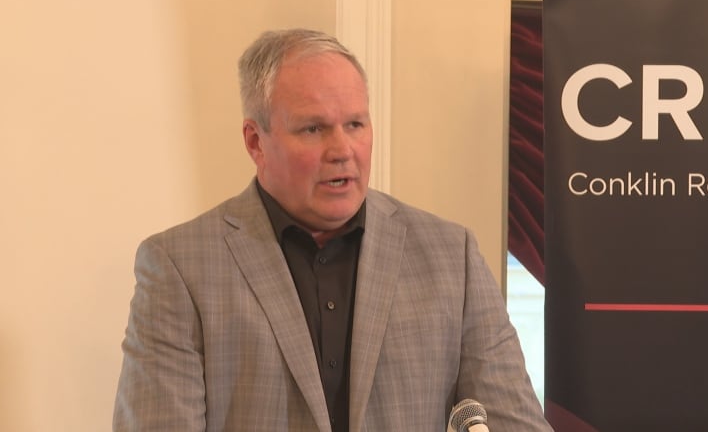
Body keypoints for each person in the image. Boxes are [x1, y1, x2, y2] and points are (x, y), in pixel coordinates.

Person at [113, 28, 551, 432]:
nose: (342, 150)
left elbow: (514, 422)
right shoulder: (179, 268)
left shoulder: (452, 256)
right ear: (255, 141)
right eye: (314, 128)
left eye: (355, 124)